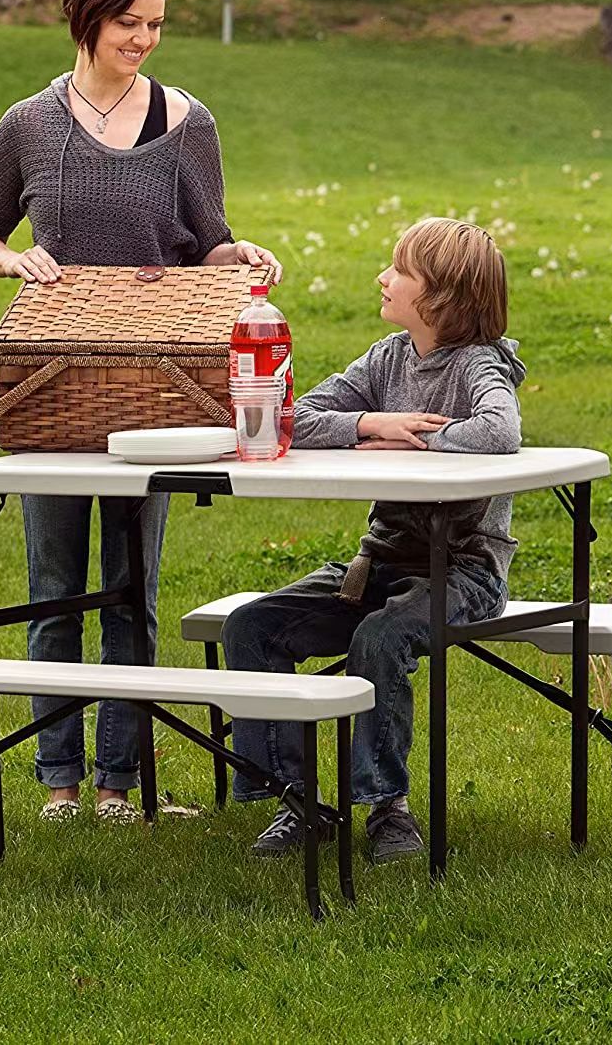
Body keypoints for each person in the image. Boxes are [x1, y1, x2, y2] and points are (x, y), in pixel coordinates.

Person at [0, 0, 281, 822]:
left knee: (132, 595)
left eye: (155, 25)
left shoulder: (187, 122)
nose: (143, 40)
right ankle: (57, 783)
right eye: (128, 23)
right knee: (54, 590)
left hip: (157, 390)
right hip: (57, 384)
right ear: (84, 13)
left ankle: (118, 785)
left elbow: (207, 238)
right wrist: (8, 263)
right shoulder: (28, 125)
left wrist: (236, 254)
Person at [222, 217, 524, 863]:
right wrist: (369, 423)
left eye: (399, 271)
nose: (383, 278)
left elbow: (500, 432)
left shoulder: (479, 365)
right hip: (379, 566)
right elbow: (286, 416)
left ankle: (388, 807)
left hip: (465, 573)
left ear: (440, 296)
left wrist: (423, 438)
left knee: (380, 638)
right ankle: (299, 803)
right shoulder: (387, 360)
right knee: (250, 627)